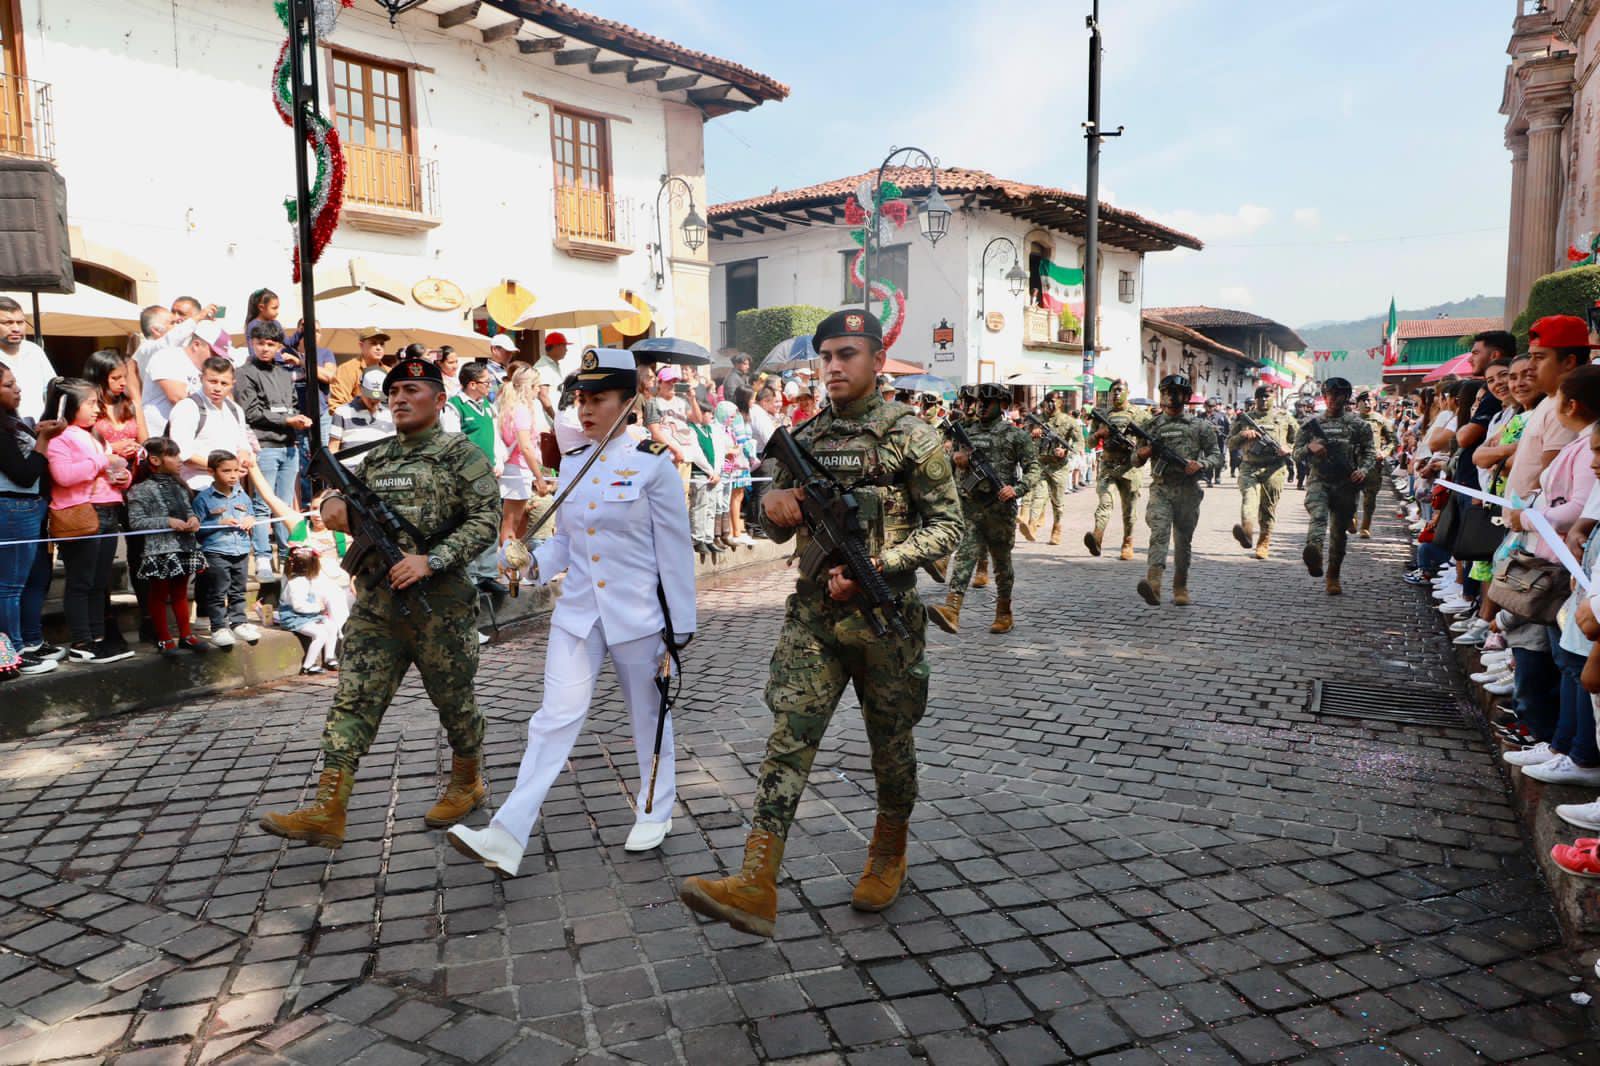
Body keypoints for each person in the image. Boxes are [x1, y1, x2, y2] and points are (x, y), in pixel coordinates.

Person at [678, 309, 960, 938]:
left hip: (886, 619)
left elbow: (948, 528)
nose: (833, 366)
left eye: (847, 355)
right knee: (789, 740)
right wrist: (770, 507)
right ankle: (756, 880)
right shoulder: (802, 437)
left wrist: (879, 566)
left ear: (877, 362)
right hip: (814, 618)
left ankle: (888, 852)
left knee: (890, 745)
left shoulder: (915, 437)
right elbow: (775, 519)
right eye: (826, 356)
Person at [448, 348, 697, 874]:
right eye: (580, 398)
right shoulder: (576, 464)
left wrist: (680, 632)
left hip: (639, 617)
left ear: (630, 401)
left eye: (598, 398)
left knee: (648, 718)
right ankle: (507, 834)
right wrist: (526, 562)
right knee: (553, 719)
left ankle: (655, 810)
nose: (584, 409)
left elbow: (674, 554)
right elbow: (565, 545)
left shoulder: (653, 464)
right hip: (579, 613)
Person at [257, 355, 500, 849]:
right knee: (353, 702)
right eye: (393, 395)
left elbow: (486, 519)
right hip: (376, 607)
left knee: (454, 703)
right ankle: (329, 808)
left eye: (413, 392)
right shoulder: (377, 458)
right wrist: (332, 508)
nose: (400, 400)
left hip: (440, 606)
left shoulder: (460, 454)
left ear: (438, 399)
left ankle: (467, 780)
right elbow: (331, 502)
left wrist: (432, 559)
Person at [930, 384, 1039, 634]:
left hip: (1000, 510)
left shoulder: (1015, 435)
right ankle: (952, 609)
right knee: (965, 556)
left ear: (1002, 405)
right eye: (979, 401)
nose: (980, 406)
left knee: (1001, 564)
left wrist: (1017, 489)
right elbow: (946, 463)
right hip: (971, 507)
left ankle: (1004, 612)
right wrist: (956, 459)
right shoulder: (965, 431)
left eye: (987, 402)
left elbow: (1034, 469)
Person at [46, 378, 134, 663]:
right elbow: (64, 476)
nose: (97, 409)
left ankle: (98, 638)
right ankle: (81, 641)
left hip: (108, 511)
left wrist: (123, 477)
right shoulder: (59, 437)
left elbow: (111, 471)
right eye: (90, 403)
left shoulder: (95, 435)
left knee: (99, 582)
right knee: (81, 581)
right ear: (69, 405)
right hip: (82, 514)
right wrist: (103, 462)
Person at [1134, 374, 1220, 606]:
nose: (1170, 397)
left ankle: (1180, 586)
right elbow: (1134, 458)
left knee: (1183, 542)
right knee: (1159, 534)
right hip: (1161, 489)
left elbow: (1216, 455)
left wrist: (1201, 464)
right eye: (1165, 392)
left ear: (1185, 396)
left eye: (1175, 392)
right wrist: (1143, 453)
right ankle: (1154, 584)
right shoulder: (1150, 426)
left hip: (1188, 491)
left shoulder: (1200, 426)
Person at [0, 366, 63, 675]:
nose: (18, 389)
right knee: (9, 587)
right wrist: (43, 440)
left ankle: (23, 644)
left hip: (27, 508)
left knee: (23, 582)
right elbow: (24, 475)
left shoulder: (11, 422)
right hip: (13, 507)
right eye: (9, 385)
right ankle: (14, 652)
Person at [236, 319, 309, 578]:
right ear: (252, 343)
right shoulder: (244, 372)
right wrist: (287, 419)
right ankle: (264, 557)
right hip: (264, 443)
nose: (265, 348)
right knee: (263, 503)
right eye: (260, 343)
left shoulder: (283, 372)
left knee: (286, 502)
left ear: (279, 346)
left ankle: (290, 554)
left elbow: (291, 404)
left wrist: (297, 419)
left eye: (271, 344)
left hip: (289, 444)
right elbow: (251, 412)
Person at [126, 437, 210, 657]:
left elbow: (188, 510)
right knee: (159, 593)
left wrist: (193, 520)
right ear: (155, 460)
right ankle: (163, 638)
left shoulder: (180, 486)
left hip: (184, 546)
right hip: (160, 549)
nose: (179, 460)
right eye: (173, 455)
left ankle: (186, 635)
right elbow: (136, 522)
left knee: (181, 592)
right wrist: (167, 521)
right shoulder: (140, 490)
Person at [1295, 377, 1375, 596]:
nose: (1333, 399)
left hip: (1345, 484)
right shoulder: (1312, 424)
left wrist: (1364, 470)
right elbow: (1296, 454)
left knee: (1339, 532)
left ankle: (1333, 575)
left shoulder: (1359, 425)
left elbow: (1370, 452)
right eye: (1329, 394)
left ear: (1346, 397)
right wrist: (1310, 449)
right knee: (1318, 516)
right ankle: (1315, 554)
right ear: (1324, 395)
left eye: (1338, 394)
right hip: (1319, 480)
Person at [193, 450, 256, 649]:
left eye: (236, 470)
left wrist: (250, 519)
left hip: (241, 549)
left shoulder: (242, 494)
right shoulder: (203, 499)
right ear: (211, 472)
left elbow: (252, 513)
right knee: (218, 591)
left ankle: (239, 622)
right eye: (226, 471)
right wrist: (218, 523)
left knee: (239, 589)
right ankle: (219, 627)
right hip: (216, 551)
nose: (233, 475)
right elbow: (196, 529)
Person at [1228, 386, 1297, 559]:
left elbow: (1300, 440)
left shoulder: (1284, 418)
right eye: (1260, 396)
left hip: (1274, 469)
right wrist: (1243, 435)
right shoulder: (1246, 418)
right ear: (1255, 398)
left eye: (1267, 396)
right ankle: (1247, 532)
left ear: (1273, 397)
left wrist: (1288, 448)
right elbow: (1230, 443)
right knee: (1248, 500)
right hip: (1249, 467)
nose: (1263, 400)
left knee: (1267, 508)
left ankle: (1263, 543)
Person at [167, 356, 252, 491]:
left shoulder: (235, 409)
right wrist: (225, 469)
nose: (218, 388)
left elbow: (243, 445)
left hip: (232, 489)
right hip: (197, 487)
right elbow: (183, 454)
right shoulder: (187, 408)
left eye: (224, 383)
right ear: (201, 379)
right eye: (212, 381)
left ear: (232, 384)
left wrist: (243, 457)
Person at [1085, 378, 1147, 560]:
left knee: (1129, 510)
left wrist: (1140, 448)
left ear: (1128, 392)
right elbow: (1089, 442)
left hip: (1130, 468)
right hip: (1108, 467)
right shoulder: (1102, 415)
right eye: (1114, 390)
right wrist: (1098, 434)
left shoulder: (1139, 415)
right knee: (1105, 502)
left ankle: (1128, 542)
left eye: (1120, 390)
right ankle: (1097, 537)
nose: (1117, 393)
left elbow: (1150, 439)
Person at [495, 364, 552, 553]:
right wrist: (539, 476)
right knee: (511, 524)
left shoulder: (509, 406)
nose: (538, 392)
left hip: (516, 468)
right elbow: (526, 446)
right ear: (530, 387)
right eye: (537, 387)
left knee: (514, 523)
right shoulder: (521, 410)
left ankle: (511, 565)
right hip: (518, 469)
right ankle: (508, 567)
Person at [143, 320, 219, 437]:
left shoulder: (208, 370)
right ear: (196, 345)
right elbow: (178, 399)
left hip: (190, 437)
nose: (217, 359)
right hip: (159, 438)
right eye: (214, 353)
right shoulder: (167, 357)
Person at [1020, 391, 1076, 545]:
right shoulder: (1036, 420)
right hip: (1042, 464)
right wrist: (1032, 433)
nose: (1051, 404)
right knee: (1039, 495)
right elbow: (1023, 435)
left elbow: (1080, 443)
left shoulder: (1069, 421)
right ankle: (1032, 526)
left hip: (1059, 468)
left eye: (1054, 401)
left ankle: (1057, 527)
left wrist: (1065, 450)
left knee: (1057, 502)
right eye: (1048, 401)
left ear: (1060, 403)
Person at [277, 546, 337, 675]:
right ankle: (308, 666)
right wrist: (318, 607)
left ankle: (329, 657)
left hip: (307, 616)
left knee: (331, 626)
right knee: (320, 634)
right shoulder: (297, 583)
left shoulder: (303, 580)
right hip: (294, 618)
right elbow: (299, 606)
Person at [0, 297, 56, 423]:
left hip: (38, 429)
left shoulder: (34, 351)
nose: (16, 328)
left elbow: (51, 389)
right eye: (8, 323)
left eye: (20, 322)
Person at [1355, 391, 1398, 538]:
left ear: (1374, 403)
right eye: (1363, 401)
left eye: (1370, 400)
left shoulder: (1382, 420)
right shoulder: (1351, 420)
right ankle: (1351, 518)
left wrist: (1384, 453)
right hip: (1353, 463)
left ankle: (1365, 527)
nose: (1367, 403)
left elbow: (1393, 442)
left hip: (1373, 464)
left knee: (1370, 497)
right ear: (1357, 404)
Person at [330, 368, 396, 461]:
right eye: (370, 396)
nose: (374, 400)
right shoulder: (342, 412)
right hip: (349, 472)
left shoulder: (389, 415)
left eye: (378, 397)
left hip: (378, 471)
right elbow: (333, 448)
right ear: (360, 388)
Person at [330, 328, 389, 412]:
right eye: (373, 343)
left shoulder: (389, 372)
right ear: (361, 345)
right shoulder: (347, 369)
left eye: (382, 344)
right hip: (354, 421)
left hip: (386, 422)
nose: (378, 347)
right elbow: (336, 405)